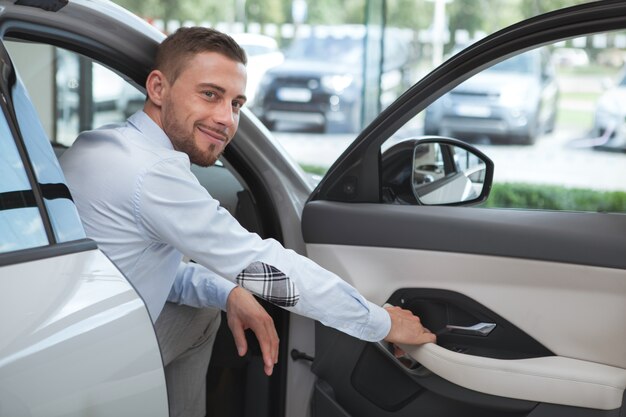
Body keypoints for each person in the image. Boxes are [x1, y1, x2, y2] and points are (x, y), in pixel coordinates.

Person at [60, 26, 435, 417]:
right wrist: (380, 323)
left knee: (201, 314)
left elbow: (133, 273)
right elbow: (263, 266)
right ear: (158, 88)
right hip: (85, 363)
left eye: (236, 104)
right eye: (210, 94)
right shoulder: (153, 174)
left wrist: (228, 293)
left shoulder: (97, 143)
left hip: (67, 333)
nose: (225, 119)